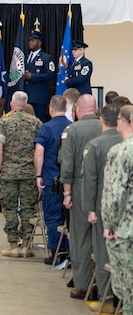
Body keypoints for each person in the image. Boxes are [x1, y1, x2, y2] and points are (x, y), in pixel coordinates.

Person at [59, 94, 102, 300]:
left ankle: (83, 284)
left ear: (77, 109)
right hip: (104, 188)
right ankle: (105, 288)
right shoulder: (107, 128)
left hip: (79, 186)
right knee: (102, 238)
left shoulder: (72, 130)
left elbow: (66, 165)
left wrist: (67, 193)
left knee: (80, 237)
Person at [82, 104, 122, 313]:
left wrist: (90, 209)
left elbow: (90, 179)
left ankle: (105, 298)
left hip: (102, 205)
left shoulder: (95, 145)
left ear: (101, 120)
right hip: (125, 209)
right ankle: (120, 299)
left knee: (102, 254)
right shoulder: (125, 142)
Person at [0, 91, 42, 257]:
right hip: (29, 172)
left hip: (8, 173)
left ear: (12, 104)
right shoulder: (36, 122)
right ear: (25, 103)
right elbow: (39, 149)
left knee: (10, 209)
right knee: (28, 209)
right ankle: (26, 246)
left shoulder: (4, 121)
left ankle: (13, 245)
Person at [33, 95, 72, 265]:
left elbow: (39, 153)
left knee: (52, 218)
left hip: (50, 179)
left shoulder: (45, 128)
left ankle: (56, 254)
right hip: (69, 181)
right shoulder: (72, 127)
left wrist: (38, 175)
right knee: (68, 220)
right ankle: (70, 251)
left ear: (50, 108)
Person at [102, 104, 133, 315]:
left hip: (126, 230)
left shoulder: (121, 151)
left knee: (128, 289)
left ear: (122, 122)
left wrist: (109, 224)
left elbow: (115, 194)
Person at [21, 31, 56, 122]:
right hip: (27, 96)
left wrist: (33, 76)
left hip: (39, 97)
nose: (30, 42)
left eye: (33, 40)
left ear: (39, 42)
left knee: (39, 122)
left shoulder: (46, 58)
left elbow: (50, 74)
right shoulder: (27, 56)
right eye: (30, 40)